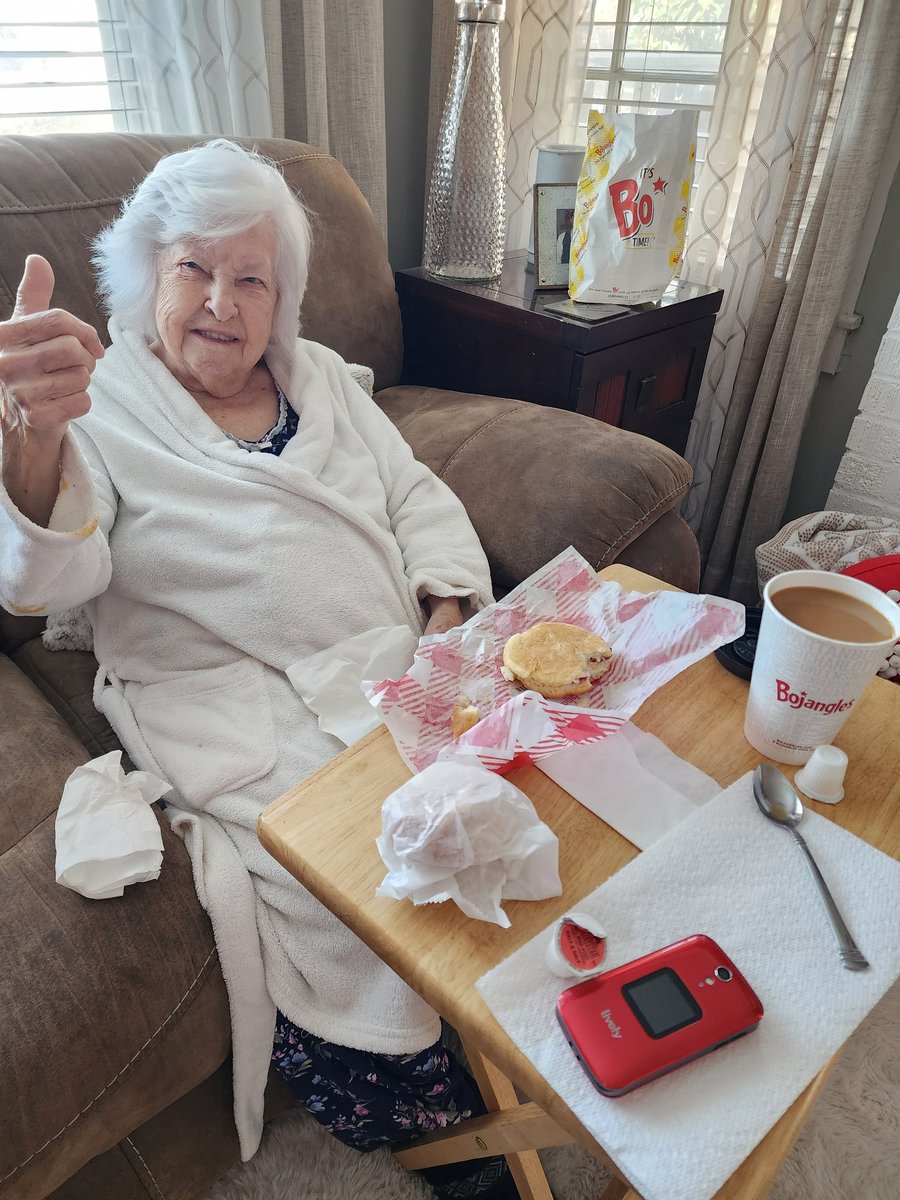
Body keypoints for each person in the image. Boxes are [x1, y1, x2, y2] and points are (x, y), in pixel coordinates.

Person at [0, 140, 517, 1200]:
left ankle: (519, 1024)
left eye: (251, 278)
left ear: (281, 297)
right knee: (350, 885)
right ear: (150, 274)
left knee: (517, 805)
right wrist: (34, 441)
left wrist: (449, 611)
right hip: (236, 701)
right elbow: (51, 578)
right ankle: (406, 1100)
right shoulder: (100, 405)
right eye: (194, 268)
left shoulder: (319, 377)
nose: (220, 303)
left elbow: (413, 490)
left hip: (398, 672)